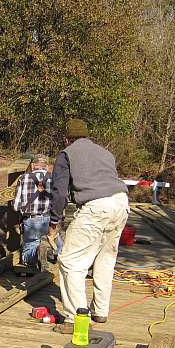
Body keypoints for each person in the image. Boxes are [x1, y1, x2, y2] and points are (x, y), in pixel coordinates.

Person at [47, 119, 129, 332]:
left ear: (67, 138)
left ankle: (75, 320)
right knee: (105, 259)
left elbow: (59, 192)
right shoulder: (105, 153)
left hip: (96, 208)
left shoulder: (67, 154)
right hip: (121, 204)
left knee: (70, 261)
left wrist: (54, 222)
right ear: (87, 135)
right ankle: (100, 311)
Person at [13, 154, 61, 271]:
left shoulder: (23, 178)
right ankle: (51, 253)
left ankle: (36, 255)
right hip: (49, 220)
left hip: (31, 220)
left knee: (28, 252)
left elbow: (16, 206)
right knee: (57, 243)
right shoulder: (53, 178)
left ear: (33, 165)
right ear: (47, 166)